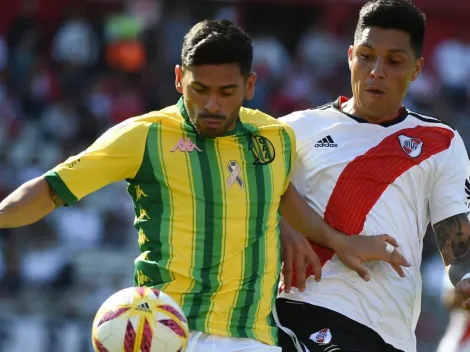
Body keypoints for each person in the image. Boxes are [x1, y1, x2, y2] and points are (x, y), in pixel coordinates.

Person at [0, 20, 407, 352]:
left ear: (249, 86)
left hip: (254, 339)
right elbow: (49, 189)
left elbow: (282, 195)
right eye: (200, 89)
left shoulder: (274, 137)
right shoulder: (144, 135)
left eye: (226, 92)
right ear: (179, 79)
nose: (212, 104)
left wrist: (336, 240)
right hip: (167, 332)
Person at [275, 1, 470, 352]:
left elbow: (456, 241)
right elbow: (247, 199)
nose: (376, 71)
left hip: (391, 333)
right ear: (350, 55)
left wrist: (467, 277)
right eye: (366, 56)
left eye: (394, 61)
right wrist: (284, 227)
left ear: (416, 69)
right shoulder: (292, 131)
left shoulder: (441, 143)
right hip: (305, 310)